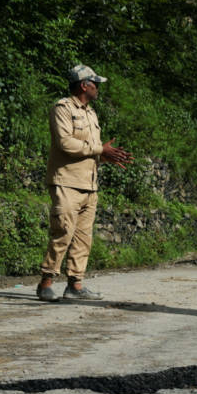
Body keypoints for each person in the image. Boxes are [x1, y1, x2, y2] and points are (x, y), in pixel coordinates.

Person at [36, 64, 132, 302]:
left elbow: (91, 150)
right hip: (66, 182)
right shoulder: (62, 108)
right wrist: (100, 149)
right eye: (95, 83)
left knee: (82, 237)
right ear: (83, 85)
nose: (98, 88)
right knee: (63, 232)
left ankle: (75, 285)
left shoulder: (91, 113)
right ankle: (46, 283)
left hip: (89, 184)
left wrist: (107, 156)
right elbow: (66, 143)